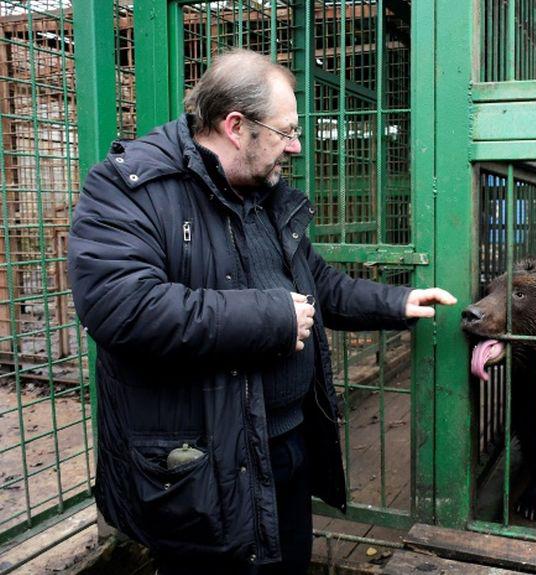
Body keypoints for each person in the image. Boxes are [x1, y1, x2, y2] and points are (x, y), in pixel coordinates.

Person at [67, 49, 456, 574]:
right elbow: (123, 307)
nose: (294, 146)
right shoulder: (129, 187)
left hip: (286, 445)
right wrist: (270, 319)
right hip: (202, 462)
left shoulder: (264, 194)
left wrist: (398, 302)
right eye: (286, 131)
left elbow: (316, 285)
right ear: (235, 126)